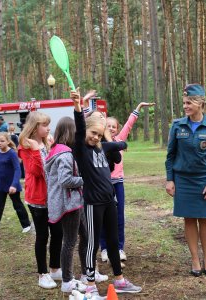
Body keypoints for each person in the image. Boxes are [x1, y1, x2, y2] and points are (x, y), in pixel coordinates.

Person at [70, 88, 142, 297]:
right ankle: (90, 284)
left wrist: (115, 140)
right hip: (93, 203)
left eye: (98, 135)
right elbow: (79, 126)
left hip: (110, 200)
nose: (95, 137)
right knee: (92, 243)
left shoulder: (102, 148)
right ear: (86, 132)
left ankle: (119, 280)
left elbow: (118, 145)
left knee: (112, 241)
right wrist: (79, 106)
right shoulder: (81, 150)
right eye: (93, 133)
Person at [166, 84, 206, 276]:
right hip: (183, 180)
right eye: (184, 103)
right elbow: (170, 155)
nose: (185, 106)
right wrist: (170, 179)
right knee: (189, 219)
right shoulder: (177, 125)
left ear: (200, 103)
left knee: (205, 219)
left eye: (189, 102)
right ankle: (195, 259)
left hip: (203, 180)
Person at [102, 96, 155, 263]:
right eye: (108, 126)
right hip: (103, 185)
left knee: (118, 216)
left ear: (117, 130)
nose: (111, 129)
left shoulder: (119, 141)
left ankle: (119, 248)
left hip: (117, 183)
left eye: (113, 127)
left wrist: (138, 106)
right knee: (103, 217)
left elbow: (129, 124)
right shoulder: (99, 143)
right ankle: (104, 248)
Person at [18, 111, 63, 289]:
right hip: (37, 198)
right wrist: (37, 150)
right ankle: (42, 274)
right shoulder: (26, 147)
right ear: (35, 127)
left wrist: (50, 148)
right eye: (44, 125)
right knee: (43, 235)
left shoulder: (46, 142)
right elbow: (37, 171)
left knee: (58, 233)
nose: (48, 128)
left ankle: (54, 268)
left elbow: (54, 166)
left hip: (53, 196)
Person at [45, 117, 87, 293]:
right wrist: (86, 180)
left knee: (85, 235)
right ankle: (68, 281)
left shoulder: (56, 150)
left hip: (70, 202)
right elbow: (65, 180)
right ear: (70, 132)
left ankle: (87, 273)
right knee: (69, 242)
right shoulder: (65, 154)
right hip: (68, 204)